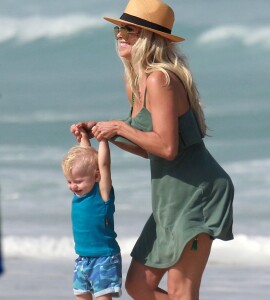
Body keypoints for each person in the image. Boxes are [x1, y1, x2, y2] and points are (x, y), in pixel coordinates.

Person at [71, 0, 234, 299]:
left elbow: (168, 147)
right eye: (119, 29)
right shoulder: (135, 81)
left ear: (148, 37)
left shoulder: (161, 79)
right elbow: (150, 148)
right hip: (168, 197)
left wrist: (119, 127)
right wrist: (101, 132)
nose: (120, 34)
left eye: (129, 30)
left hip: (198, 191)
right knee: (138, 285)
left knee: (181, 292)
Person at [61, 129, 122, 300]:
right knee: (80, 295)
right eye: (69, 182)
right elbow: (86, 160)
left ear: (96, 177)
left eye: (78, 182)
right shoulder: (79, 193)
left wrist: (103, 140)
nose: (73, 186)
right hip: (82, 259)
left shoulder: (102, 194)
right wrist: (85, 137)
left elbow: (103, 165)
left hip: (104, 258)